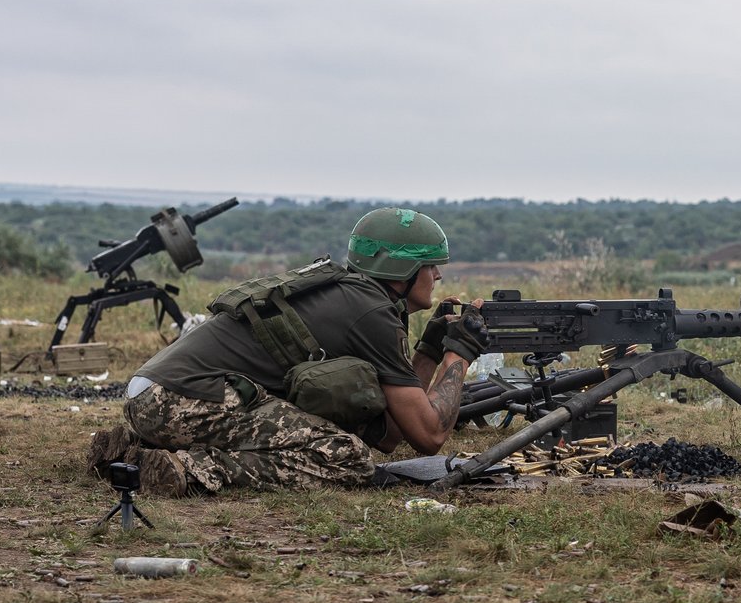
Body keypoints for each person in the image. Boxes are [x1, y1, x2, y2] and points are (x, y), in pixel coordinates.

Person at [87, 207, 487, 496]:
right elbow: (429, 435)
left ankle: (132, 450)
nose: (438, 276)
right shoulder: (372, 312)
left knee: (335, 441)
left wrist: (431, 350)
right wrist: (459, 355)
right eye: (431, 266)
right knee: (344, 457)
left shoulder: (357, 296)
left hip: (156, 395)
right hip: (181, 399)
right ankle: (191, 470)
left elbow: (394, 431)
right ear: (400, 270)